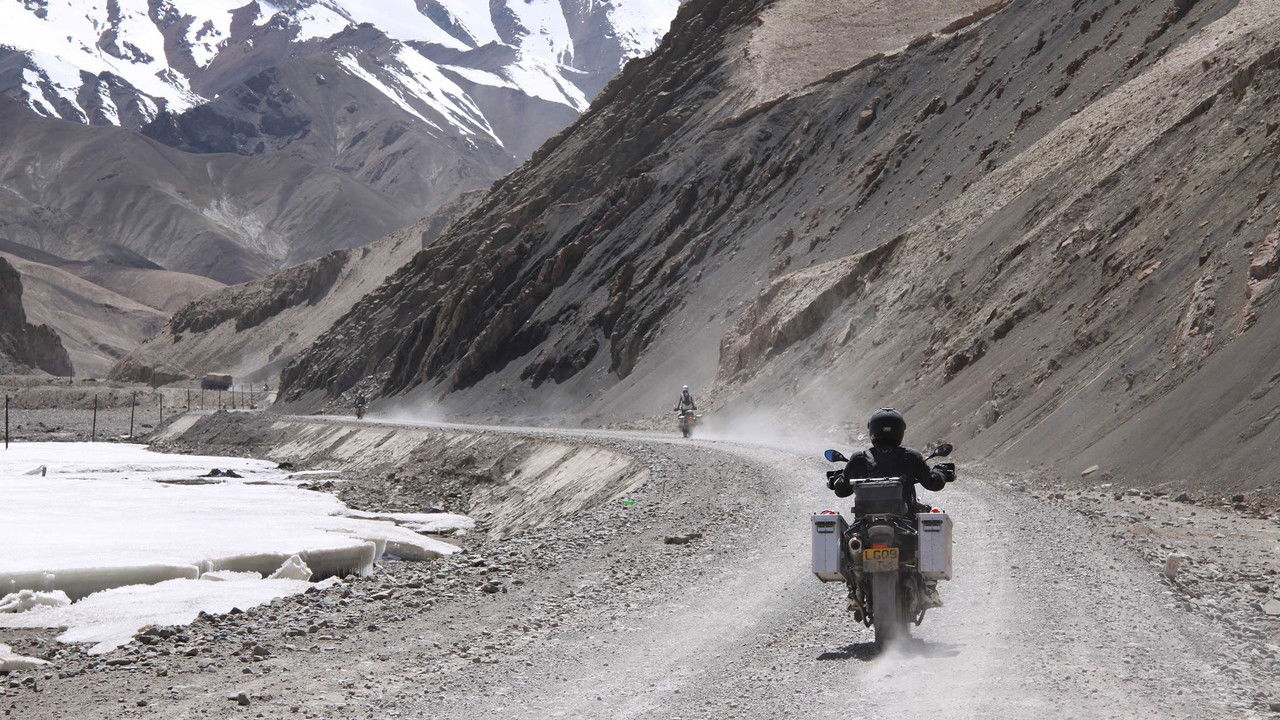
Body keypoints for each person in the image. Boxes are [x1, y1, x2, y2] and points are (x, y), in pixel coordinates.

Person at [827, 407, 954, 511]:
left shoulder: (859, 458)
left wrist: (839, 479)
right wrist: (940, 472)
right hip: (906, 523)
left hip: (865, 524)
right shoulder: (912, 456)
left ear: (872, 430)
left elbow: (841, 491)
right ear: (900, 431)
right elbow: (933, 484)